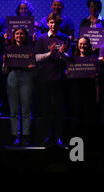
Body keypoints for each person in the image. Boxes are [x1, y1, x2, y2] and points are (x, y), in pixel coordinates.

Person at [35, 13, 71, 148]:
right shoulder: (41, 38)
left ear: (59, 24)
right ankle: (46, 137)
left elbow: (70, 59)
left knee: (58, 110)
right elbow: (36, 58)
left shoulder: (65, 38)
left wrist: (63, 53)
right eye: (51, 23)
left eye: (56, 23)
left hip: (59, 78)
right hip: (44, 77)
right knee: (45, 109)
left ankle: (58, 138)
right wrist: (50, 54)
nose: (53, 25)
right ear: (48, 23)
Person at [4, 27, 36, 146]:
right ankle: (15, 136)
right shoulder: (8, 48)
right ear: (14, 35)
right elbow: (4, 68)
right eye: (17, 34)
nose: (19, 36)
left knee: (26, 108)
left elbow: (34, 63)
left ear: (25, 35)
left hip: (26, 76)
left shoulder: (30, 48)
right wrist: (4, 62)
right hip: (12, 75)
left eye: (22, 34)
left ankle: (26, 136)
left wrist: (32, 66)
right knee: (13, 109)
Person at [67, 37, 98, 138]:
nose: (82, 46)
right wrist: (67, 72)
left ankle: (88, 140)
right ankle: (77, 139)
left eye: (84, 44)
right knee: (77, 115)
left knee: (89, 116)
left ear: (88, 45)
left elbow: (97, 79)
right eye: (80, 44)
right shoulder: (72, 58)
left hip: (89, 90)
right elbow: (68, 74)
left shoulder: (93, 59)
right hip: (76, 90)